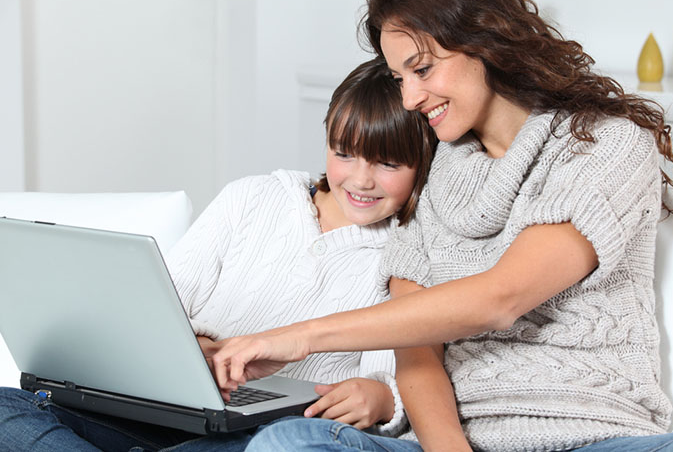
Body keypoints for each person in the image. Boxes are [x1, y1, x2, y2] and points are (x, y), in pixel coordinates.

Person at [205, 0, 673, 451]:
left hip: (596, 436)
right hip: (457, 441)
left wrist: (298, 337)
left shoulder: (604, 145)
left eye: (422, 70)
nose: (409, 99)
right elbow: (416, 349)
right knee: (287, 442)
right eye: (401, 79)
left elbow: (500, 298)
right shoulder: (434, 173)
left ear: (485, 43)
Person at [0, 57, 436, 451]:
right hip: (175, 405)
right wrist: (198, 351)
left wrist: (382, 399)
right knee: (6, 407)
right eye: (344, 154)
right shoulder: (253, 197)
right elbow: (162, 310)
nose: (360, 180)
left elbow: (397, 377)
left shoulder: (408, 252)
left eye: (387, 165)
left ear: (424, 162)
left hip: (268, 429)